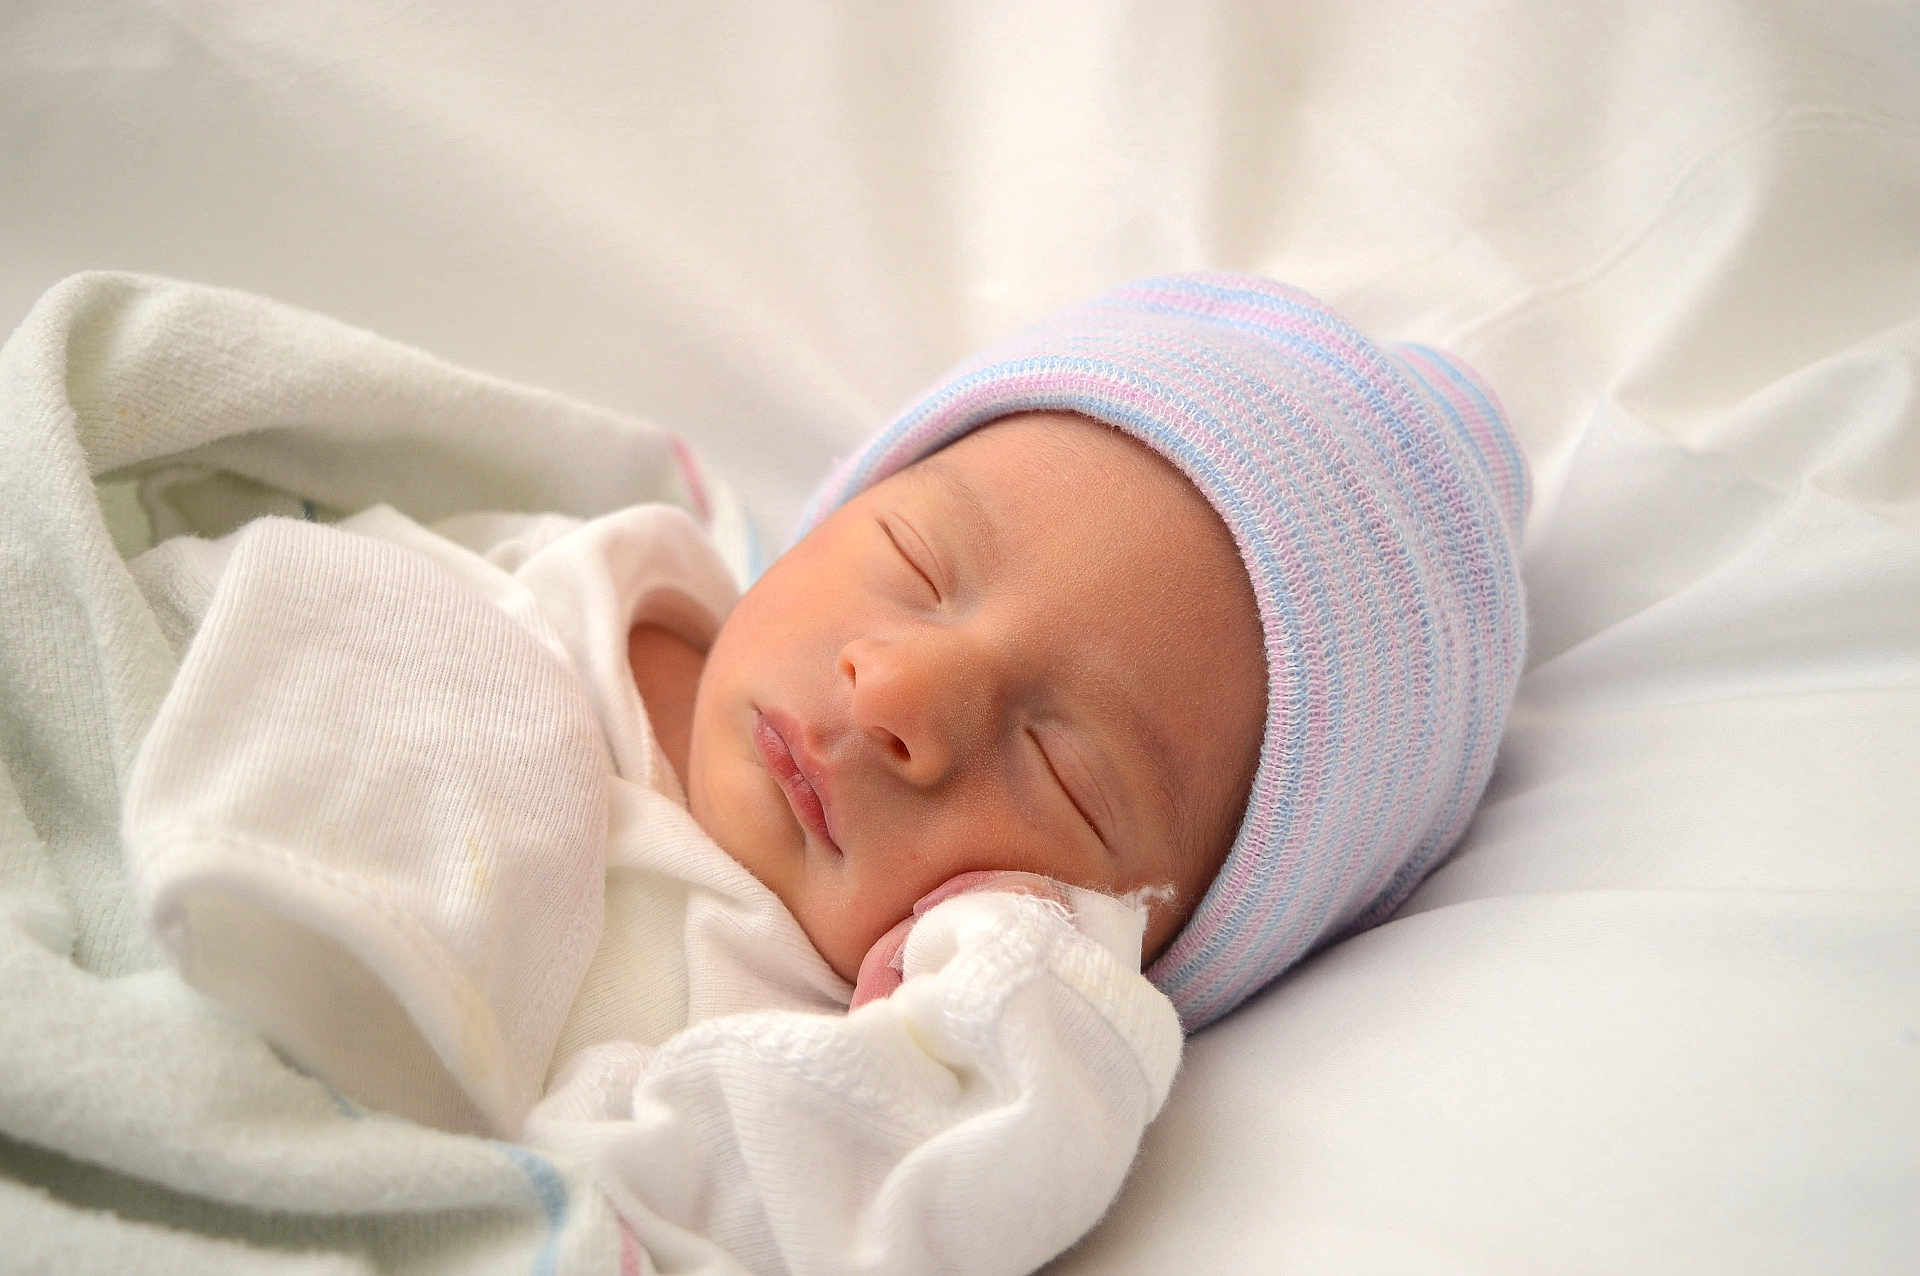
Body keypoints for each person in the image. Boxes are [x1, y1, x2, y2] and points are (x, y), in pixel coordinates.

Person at [122, 272, 1528, 1274]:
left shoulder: (864, 1067)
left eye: (1069, 769)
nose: (904, 691)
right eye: (916, 562)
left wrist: (1024, 1010)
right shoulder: (561, 594)